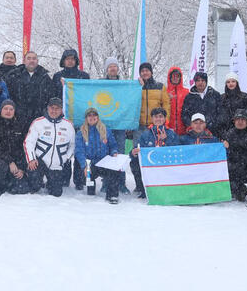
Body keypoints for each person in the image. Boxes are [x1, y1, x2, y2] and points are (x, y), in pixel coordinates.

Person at [52, 49, 91, 189]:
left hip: (81, 117)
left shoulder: (84, 76)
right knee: (64, 147)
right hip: (64, 118)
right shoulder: (57, 76)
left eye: (72, 59)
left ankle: (80, 179)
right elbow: (53, 97)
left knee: (80, 148)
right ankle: (64, 178)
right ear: (63, 60)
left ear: (76, 61)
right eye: (67, 58)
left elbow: (89, 95)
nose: (70, 61)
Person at [24, 97, 76, 197]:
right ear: (48, 108)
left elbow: (73, 145)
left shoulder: (68, 125)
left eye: (57, 108)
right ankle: (37, 179)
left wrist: (66, 158)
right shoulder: (38, 122)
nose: (54, 111)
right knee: (34, 186)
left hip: (57, 164)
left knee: (56, 193)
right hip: (40, 161)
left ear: (61, 110)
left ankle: (49, 181)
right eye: (52, 108)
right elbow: (28, 142)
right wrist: (31, 159)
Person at [74, 108, 123, 204]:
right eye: (89, 115)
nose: (92, 117)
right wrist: (84, 166)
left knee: (114, 171)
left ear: (98, 117)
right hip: (90, 164)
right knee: (89, 182)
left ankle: (112, 195)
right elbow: (79, 151)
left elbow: (113, 145)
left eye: (94, 115)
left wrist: (114, 152)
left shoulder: (106, 130)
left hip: (104, 163)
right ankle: (90, 189)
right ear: (86, 118)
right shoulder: (81, 133)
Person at [129, 107, 180, 198]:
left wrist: (166, 140)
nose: (158, 119)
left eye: (161, 117)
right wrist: (133, 152)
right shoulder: (146, 134)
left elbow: (177, 150)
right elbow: (136, 149)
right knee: (134, 162)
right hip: (151, 164)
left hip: (166, 163)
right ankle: (142, 188)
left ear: (165, 119)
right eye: (156, 117)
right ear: (152, 119)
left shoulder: (171, 133)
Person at [0, 100, 30, 196]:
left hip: (16, 162)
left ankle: (10, 182)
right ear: (1, 110)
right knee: (0, 166)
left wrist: (22, 167)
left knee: (22, 188)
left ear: (14, 111)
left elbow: (24, 148)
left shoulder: (20, 125)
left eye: (11, 109)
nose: (8, 111)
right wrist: (9, 161)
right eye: (5, 108)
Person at [221, 109, 247, 206]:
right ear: (234, 121)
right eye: (237, 119)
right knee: (225, 166)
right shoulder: (229, 134)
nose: (240, 122)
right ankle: (241, 189)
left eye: (243, 119)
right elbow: (227, 155)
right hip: (237, 167)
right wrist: (226, 147)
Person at [102, 57, 130, 194]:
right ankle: (106, 183)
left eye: (114, 66)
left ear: (117, 69)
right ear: (106, 70)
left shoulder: (124, 85)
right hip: (104, 126)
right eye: (110, 67)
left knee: (120, 154)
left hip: (120, 125)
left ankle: (121, 183)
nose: (112, 68)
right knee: (106, 154)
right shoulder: (99, 84)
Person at [5, 51, 52, 128]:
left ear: (37, 61)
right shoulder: (14, 75)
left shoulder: (45, 77)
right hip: (18, 118)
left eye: (34, 58)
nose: (31, 61)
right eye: (29, 58)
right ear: (24, 61)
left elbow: (50, 96)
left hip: (38, 118)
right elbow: (8, 95)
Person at [137, 62, 170, 133]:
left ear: (151, 72)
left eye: (147, 70)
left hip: (156, 124)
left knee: (157, 144)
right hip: (139, 126)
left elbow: (166, 105)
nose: (145, 73)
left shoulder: (160, 86)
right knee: (139, 144)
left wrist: (166, 120)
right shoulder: (136, 87)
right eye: (142, 71)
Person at [166, 67, 189, 135]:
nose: (175, 78)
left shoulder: (186, 92)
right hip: (168, 130)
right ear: (170, 77)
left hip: (184, 131)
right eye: (173, 76)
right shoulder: (165, 92)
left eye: (177, 76)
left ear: (180, 78)